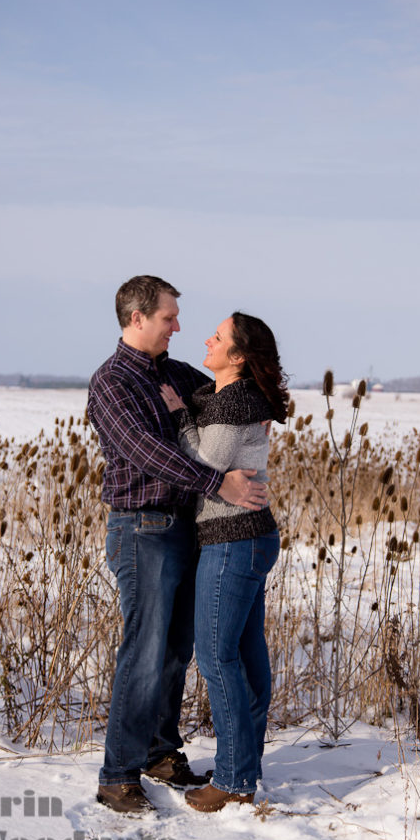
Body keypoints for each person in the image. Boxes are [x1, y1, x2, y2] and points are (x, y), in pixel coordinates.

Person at [87, 276, 268, 814]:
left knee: (175, 650)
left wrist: (260, 403)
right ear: (137, 318)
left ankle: (160, 753)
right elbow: (145, 451)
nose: (179, 327)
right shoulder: (113, 383)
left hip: (187, 528)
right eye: (169, 318)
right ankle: (117, 774)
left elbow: (229, 390)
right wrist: (219, 483)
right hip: (142, 529)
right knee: (144, 651)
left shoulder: (174, 373)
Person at [160, 311, 288, 812]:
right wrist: (189, 407)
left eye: (217, 337)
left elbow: (205, 463)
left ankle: (234, 779)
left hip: (232, 539)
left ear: (237, 356)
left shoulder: (235, 401)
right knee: (246, 658)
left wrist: (176, 417)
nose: (205, 341)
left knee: (217, 658)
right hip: (248, 537)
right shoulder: (233, 398)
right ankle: (244, 765)